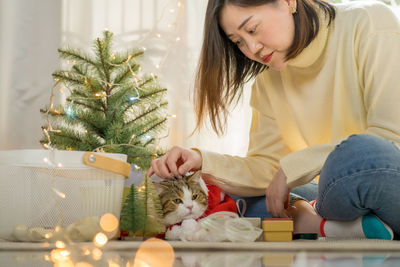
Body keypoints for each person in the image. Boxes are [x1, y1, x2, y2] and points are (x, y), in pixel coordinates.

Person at [148, 0, 400, 239]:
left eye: (252, 29)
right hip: (336, 197)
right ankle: (333, 226)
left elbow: (392, 137)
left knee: (361, 154)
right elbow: (267, 169)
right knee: (247, 201)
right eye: (238, 42)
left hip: (377, 177)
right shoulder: (267, 81)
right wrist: (201, 161)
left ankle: (312, 220)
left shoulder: (370, 23)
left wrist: (295, 167)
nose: (251, 49)